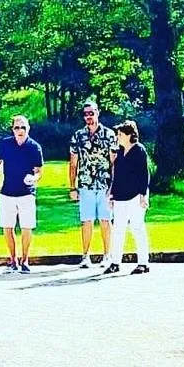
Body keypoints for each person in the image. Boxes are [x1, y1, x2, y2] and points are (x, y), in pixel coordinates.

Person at [68, 100, 118, 268]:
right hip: (85, 184)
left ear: (98, 113)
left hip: (105, 185)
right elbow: (73, 163)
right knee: (86, 221)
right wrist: (72, 187)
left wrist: (114, 187)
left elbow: (114, 163)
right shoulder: (78, 136)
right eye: (86, 114)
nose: (89, 117)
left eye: (92, 113)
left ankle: (107, 255)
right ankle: (85, 256)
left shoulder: (109, 135)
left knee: (105, 220)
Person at [0, 116, 44, 273]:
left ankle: (25, 260)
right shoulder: (6, 144)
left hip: (27, 193)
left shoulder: (34, 147)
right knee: (7, 226)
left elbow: (39, 171)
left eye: (23, 127)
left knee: (27, 227)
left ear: (28, 128)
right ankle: (13, 260)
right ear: (12, 129)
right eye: (17, 128)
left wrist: (33, 178)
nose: (20, 131)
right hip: (7, 192)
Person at [105, 119, 152, 275]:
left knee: (137, 227)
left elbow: (144, 174)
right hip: (120, 196)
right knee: (118, 229)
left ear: (129, 135)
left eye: (120, 134)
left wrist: (143, 195)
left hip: (136, 195)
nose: (118, 137)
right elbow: (116, 175)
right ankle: (115, 262)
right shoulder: (118, 152)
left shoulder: (139, 150)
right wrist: (112, 194)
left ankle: (143, 263)